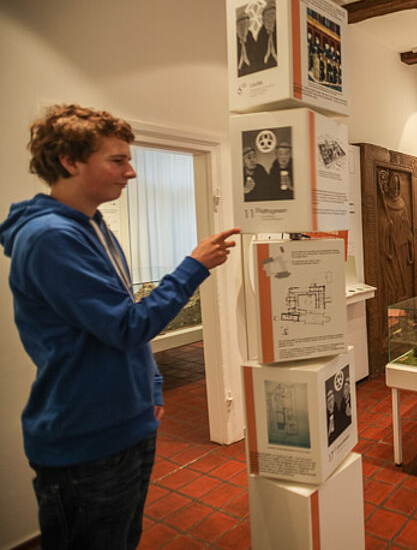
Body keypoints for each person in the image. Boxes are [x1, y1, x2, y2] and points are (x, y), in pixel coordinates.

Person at [0, 104, 240, 550]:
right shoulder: (51, 237)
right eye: (117, 160)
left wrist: (149, 390)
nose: (131, 172)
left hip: (125, 424)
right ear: (70, 162)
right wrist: (194, 266)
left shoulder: (91, 224)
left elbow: (120, 315)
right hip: (85, 438)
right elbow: (128, 326)